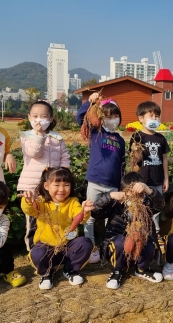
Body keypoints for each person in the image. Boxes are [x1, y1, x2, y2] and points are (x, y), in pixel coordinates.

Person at [21, 167, 94, 290]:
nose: (61, 189)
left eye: (66, 185)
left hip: (67, 248)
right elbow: (31, 210)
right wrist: (28, 201)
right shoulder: (41, 202)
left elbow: (79, 218)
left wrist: (84, 211)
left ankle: (70, 270)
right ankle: (46, 273)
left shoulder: (73, 202)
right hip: (47, 249)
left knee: (85, 243)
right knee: (38, 252)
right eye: (57, 185)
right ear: (46, 186)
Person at [91, 172, 164, 289]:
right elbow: (95, 212)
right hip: (117, 250)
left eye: (139, 194)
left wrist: (148, 190)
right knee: (120, 241)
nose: (134, 197)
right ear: (123, 192)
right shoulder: (115, 205)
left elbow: (160, 205)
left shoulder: (147, 206)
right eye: (130, 193)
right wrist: (110, 196)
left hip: (137, 252)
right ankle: (117, 270)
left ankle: (142, 269)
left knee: (148, 242)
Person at [76, 93, 126, 264]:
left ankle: (108, 245)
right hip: (95, 182)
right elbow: (80, 118)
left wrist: (122, 184)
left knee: (109, 218)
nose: (112, 119)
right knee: (89, 214)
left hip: (113, 186)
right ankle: (90, 246)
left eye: (115, 116)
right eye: (108, 116)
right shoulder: (96, 133)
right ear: (101, 118)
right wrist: (89, 102)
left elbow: (122, 163)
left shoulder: (120, 140)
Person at [17, 100, 71, 251]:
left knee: (50, 215)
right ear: (29, 118)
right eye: (35, 116)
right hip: (31, 186)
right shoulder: (27, 136)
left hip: (50, 186)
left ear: (51, 119)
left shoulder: (57, 138)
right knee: (33, 217)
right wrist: (39, 135)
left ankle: (51, 244)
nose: (39, 120)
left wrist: (64, 172)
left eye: (43, 116)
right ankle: (33, 249)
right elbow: (34, 152)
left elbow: (65, 156)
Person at [129, 101, 169, 241]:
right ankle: (140, 232)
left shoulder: (161, 138)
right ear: (141, 118)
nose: (155, 119)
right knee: (140, 207)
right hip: (141, 180)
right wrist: (137, 150)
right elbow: (136, 160)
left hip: (157, 179)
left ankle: (155, 233)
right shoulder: (137, 137)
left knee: (156, 208)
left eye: (157, 116)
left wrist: (166, 179)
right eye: (151, 116)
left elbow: (164, 159)